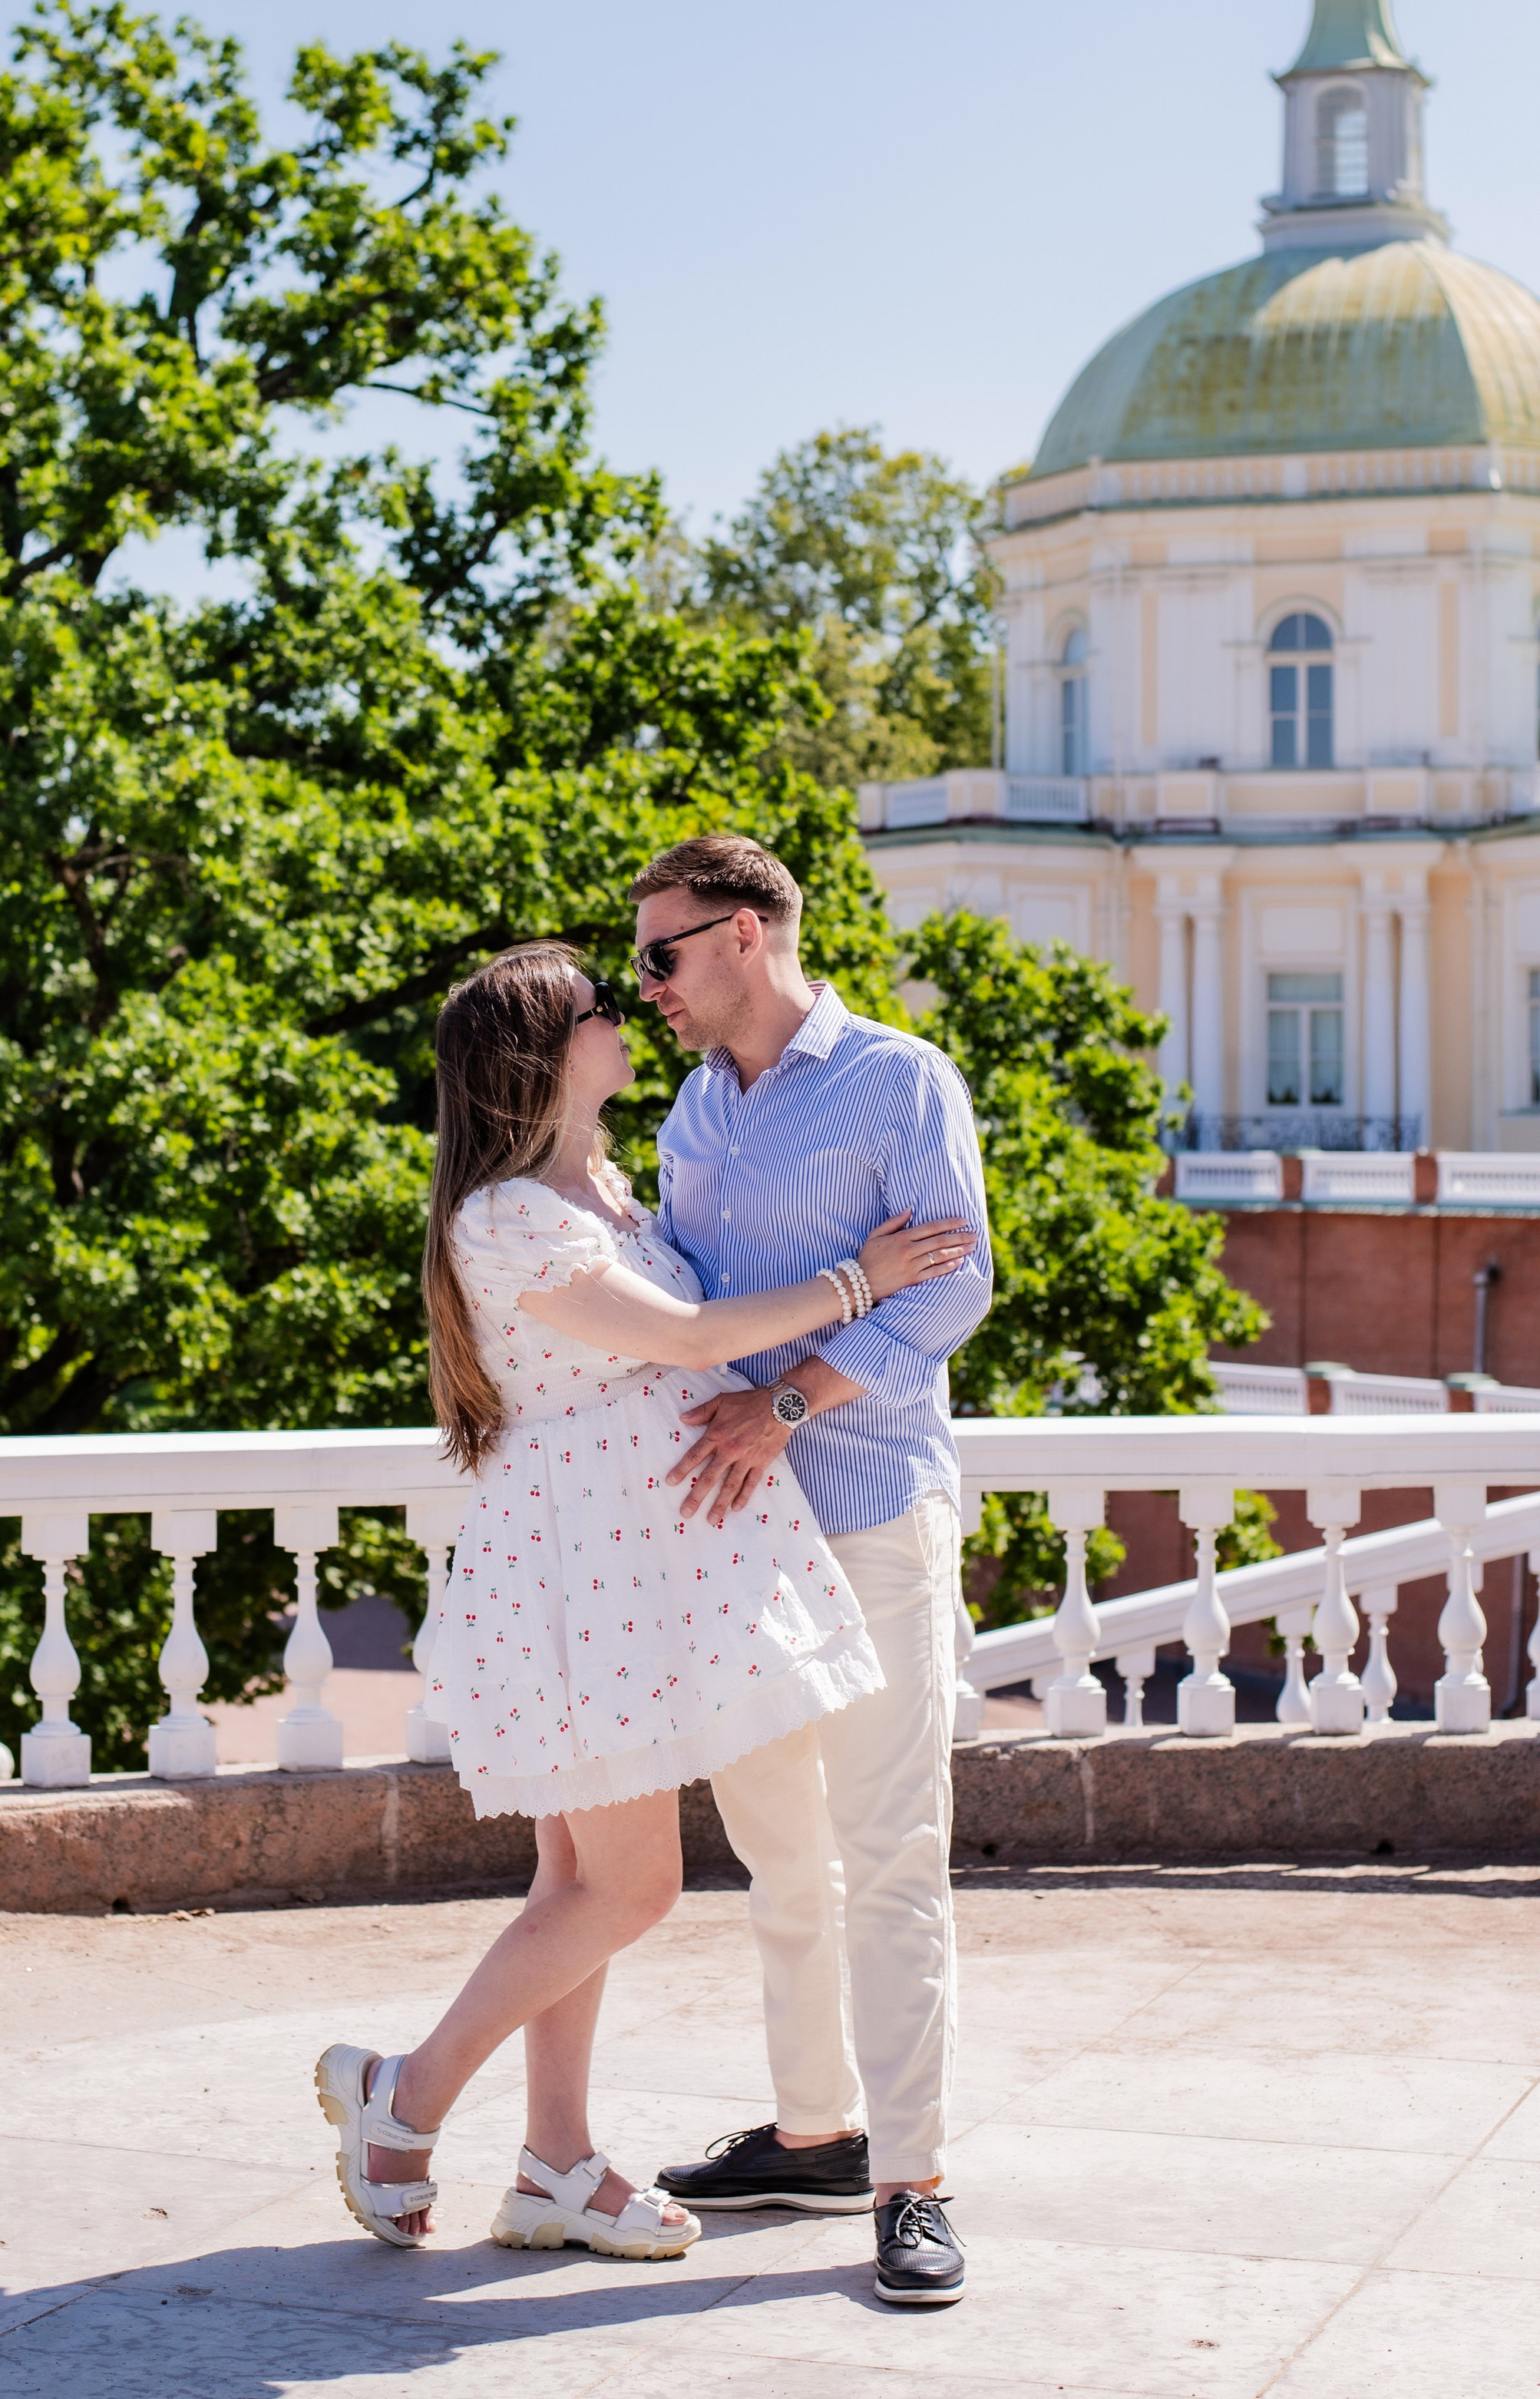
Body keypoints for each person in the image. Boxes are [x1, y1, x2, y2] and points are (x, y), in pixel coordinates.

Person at [315, 939, 975, 2262]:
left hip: (629, 1563)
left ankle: (556, 2161)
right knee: (629, 1887)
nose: (632, 1013)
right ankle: (408, 2097)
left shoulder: (607, 1182)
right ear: (543, 1056)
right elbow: (682, 1342)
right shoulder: (508, 1215)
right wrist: (865, 1283)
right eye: (601, 1008)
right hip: (586, 1571)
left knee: (576, 1881)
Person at [633, 833, 992, 2315]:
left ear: (745, 936)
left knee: (892, 1848)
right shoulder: (692, 1111)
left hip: (866, 1509)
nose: (644, 981)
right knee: (784, 1856)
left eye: (662, 953)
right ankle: (815, 2134)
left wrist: (786, 1405)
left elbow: (959, 1279)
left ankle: (913, 2179)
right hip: (737, 1535)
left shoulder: (899, 1079)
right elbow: (686, 1305)